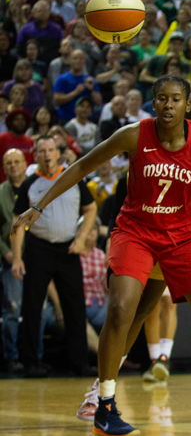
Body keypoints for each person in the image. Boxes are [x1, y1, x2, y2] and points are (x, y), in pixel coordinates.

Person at [15, 75, 191, 435]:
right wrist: (38, 206)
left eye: (176, 99)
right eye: (162, 99)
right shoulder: (135, 134)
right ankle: (105, 406)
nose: (169, 105)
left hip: (183, 238)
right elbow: (80, 168)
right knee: (123, 309)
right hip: (136, 233)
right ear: (154, 104)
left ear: (187, 106)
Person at [11, 136, 96, 377]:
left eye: (50, 150)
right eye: (41, 151)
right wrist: (17, 257)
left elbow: (91, 209)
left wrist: (81, 238)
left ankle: (79, 362)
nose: (47, 154)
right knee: (32, 307)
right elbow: (18, 222)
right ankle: (30, 362)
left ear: (59, 153)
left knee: (75, 307)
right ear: (35, 155)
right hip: (39, 249)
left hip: (68, 249)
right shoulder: (30, 184)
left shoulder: (74, 179)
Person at [0, 149, 27, 373]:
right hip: (9, 258)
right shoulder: (0, 193)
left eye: (17, 161)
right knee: (12, 308)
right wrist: (6, 252)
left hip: (37, 257)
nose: (13, 166)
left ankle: (33, 357)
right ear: (4, 167)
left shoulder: (36, 188)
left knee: (37, 309)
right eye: (9, 163)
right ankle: (11, 357)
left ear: (25, 163)